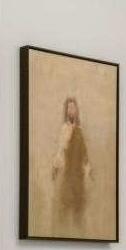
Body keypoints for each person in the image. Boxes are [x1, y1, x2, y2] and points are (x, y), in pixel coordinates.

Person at [50, 96, 92, 237]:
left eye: (74, 107)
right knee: (65, 211)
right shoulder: (64, 129)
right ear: (66, 111)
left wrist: (89, 170)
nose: (72, 110)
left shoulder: (80, 130)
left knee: (79, 213)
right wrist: (55, 167)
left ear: (77, 110)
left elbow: (85, 155)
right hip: (68, 178)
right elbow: (60, 150)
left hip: (78, 178)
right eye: (69, 107)